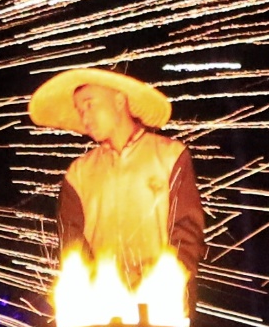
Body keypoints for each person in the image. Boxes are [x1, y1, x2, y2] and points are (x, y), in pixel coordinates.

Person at [29, 64, 205, 288]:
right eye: (80, 111)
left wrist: (168, 283)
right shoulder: (79, 173)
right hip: (103, 304)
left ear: (120, 100)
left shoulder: (170, 156)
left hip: (163, 300)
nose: (85, 118)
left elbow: (187, 231)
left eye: (90, 105)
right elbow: (72, 245)